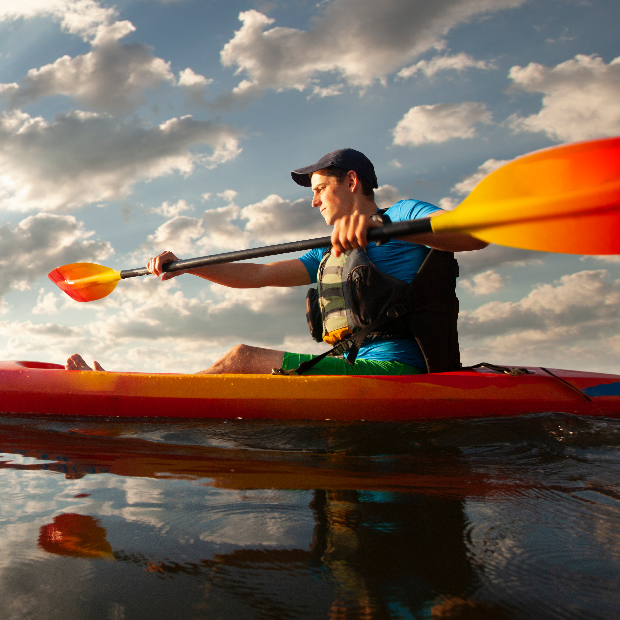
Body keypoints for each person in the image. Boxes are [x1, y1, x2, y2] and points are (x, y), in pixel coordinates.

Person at [66, 148, 487, 375]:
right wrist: (188, 265)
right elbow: (256, 274)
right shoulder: (330, 249)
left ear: (352, 182)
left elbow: (473, 235)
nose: (314, 199)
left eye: (320, 188)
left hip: (399, 370)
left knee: (242, 358)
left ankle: (134, 399)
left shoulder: (404, 215)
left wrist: (376, 228)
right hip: (350, 365)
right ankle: (136, 390)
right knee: (242, 359)